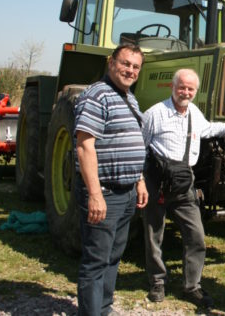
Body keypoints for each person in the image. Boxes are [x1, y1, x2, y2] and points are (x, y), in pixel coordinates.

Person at [141, 68, 225, 308]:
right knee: (154, 235)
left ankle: (192, 286)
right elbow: (141, 148)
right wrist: (141, 181)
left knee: (196, 236)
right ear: (172, 86)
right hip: (157, 182)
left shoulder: (194, 113)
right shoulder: (154, 113)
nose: (186, 92)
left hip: (183, 183)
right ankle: (157, 282)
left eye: (191, 89)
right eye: (182, 87)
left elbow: (209, 128)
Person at [74, 43, 149, 316]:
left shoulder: (130, 98)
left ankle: (103, 309)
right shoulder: (97, 96)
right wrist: (95, 194)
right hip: (104, 192)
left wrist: (139, 181)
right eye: (125, 63)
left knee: (113, 257)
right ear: (111, 63)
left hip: (127, 193)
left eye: (136, 66)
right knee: (96, 261)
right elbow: (85, 146)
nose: (130, 70)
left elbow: (134, 141)